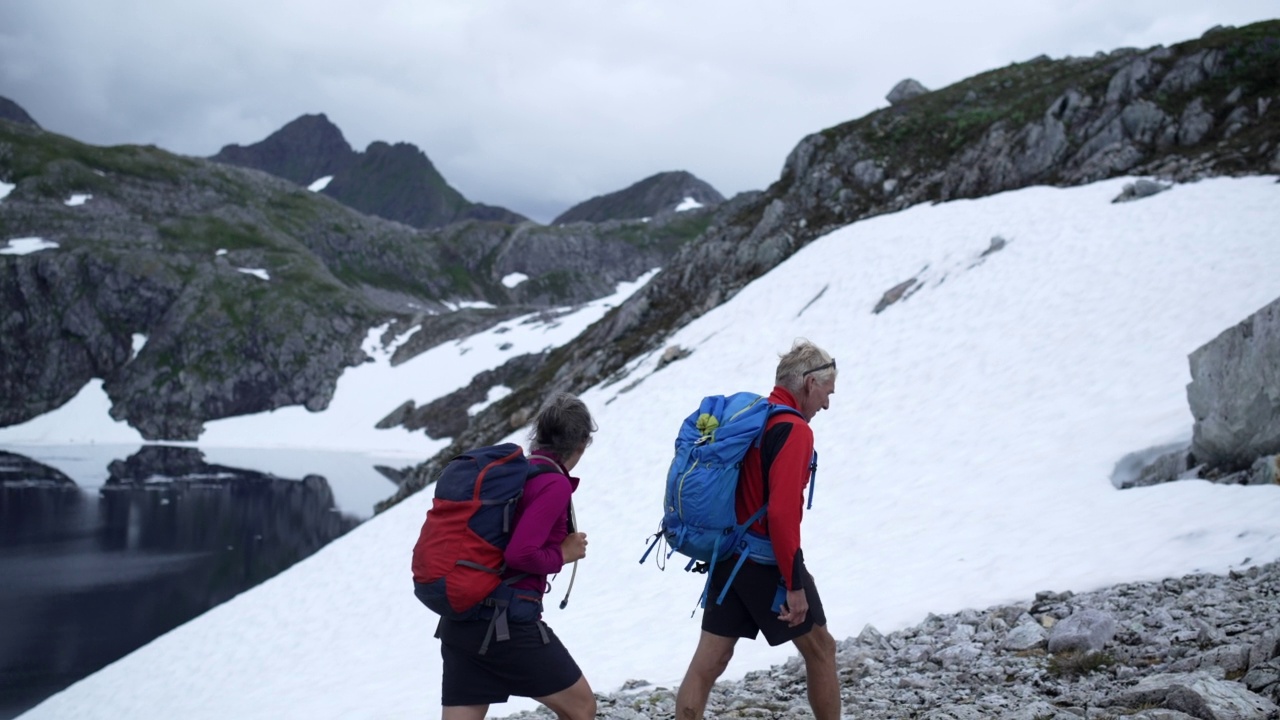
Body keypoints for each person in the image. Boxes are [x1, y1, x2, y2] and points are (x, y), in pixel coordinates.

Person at [675, 339, 841, 720]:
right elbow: (783, 515)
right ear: (809, 384)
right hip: (766, 562)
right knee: (821, 649)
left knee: (708, 663)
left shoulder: (752, 419)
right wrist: (793, 584)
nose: (827, 404)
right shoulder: (794, 430)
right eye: (827, 393)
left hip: (727, 553)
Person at [435, 392, 597, 720]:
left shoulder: (515, 474)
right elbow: (521, 553)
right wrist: (562, 554)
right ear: (580, 443)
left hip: (462, 618)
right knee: (581, 707)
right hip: (505, 624)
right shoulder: (553, 484)